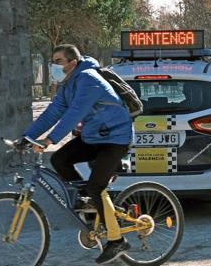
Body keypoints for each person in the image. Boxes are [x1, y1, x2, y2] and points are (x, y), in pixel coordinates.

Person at [23, 44, 132, 264]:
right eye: (53, 61)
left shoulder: (88, 79)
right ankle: (87, 201)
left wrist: (49, 139)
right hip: (94, 137)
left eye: (58, 61)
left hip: (115, 139)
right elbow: (53, 112)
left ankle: (117, 240)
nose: (54, 66)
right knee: (59, 159)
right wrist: (25, 137)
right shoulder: (68, 85)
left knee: (96, 186)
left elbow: (74, 114)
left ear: (73, 63)